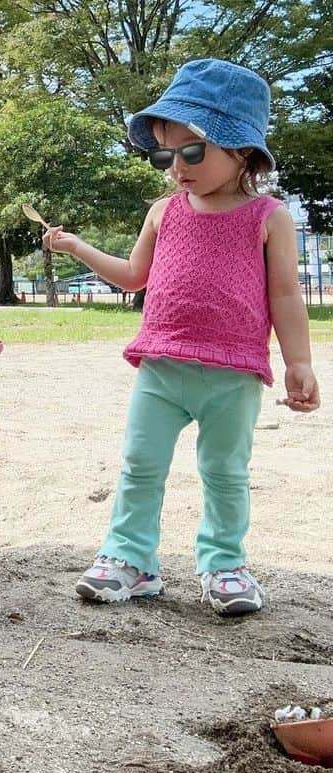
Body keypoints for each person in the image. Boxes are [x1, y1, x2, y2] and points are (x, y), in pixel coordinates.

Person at [42, 59, 320, 616]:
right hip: (161, 365)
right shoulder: (162, 212)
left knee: (224, 472)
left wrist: (299, 362)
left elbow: (286, 294)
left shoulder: (269, 216)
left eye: (192, 151)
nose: (176, 167)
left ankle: (224, 564)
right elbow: (132, 275)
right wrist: (76, 248)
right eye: (164, 154)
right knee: (140, 462)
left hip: (234, 371)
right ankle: (131, 559)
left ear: (241, 150)